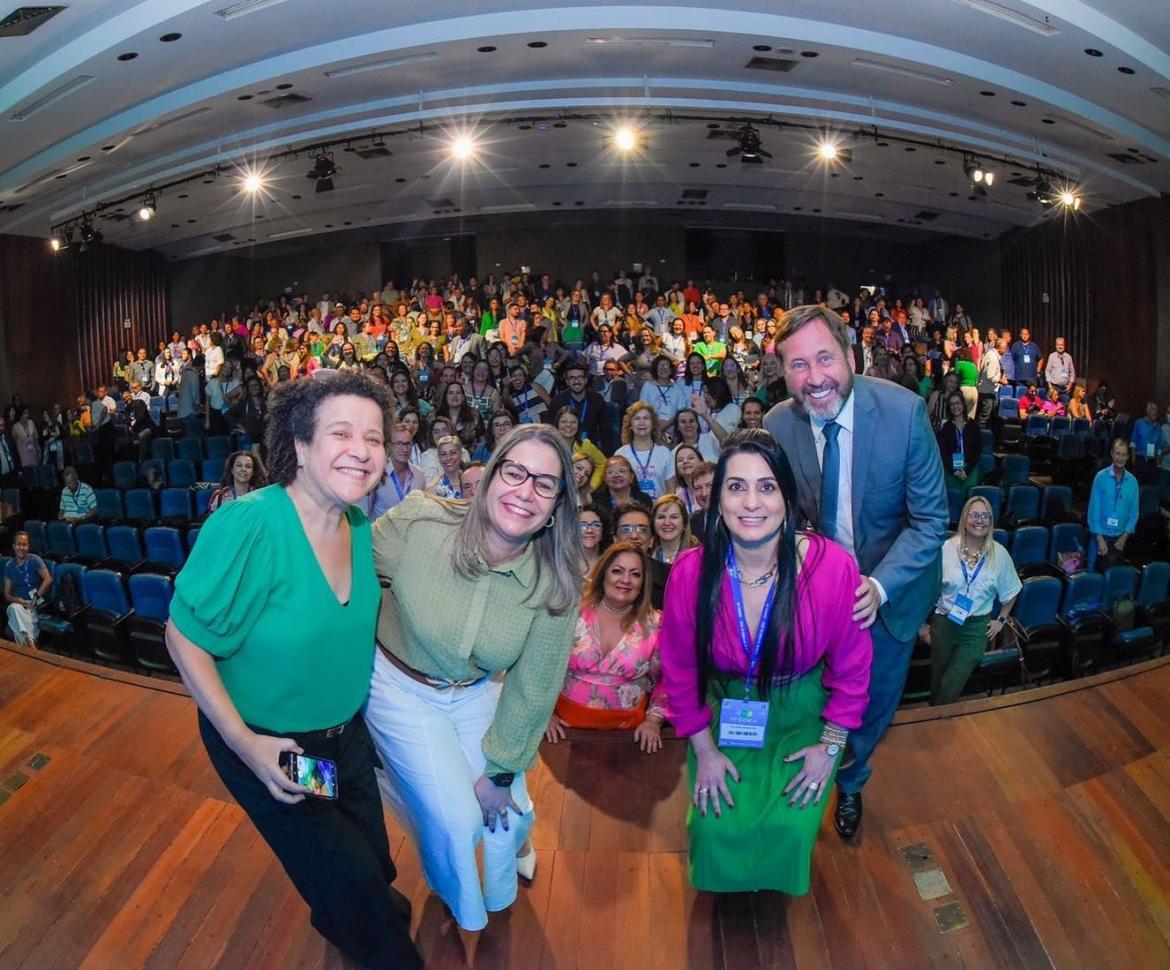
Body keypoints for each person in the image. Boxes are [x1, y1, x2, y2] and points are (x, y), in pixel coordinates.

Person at [162, 373, 420, 969]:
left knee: (373, 860)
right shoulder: (250, 524)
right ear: (300, 447)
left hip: (342, 737)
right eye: (341, 433)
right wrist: (247, 744)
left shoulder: (356, 525)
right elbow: (182, 638)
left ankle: (346, 913)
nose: (362, 448)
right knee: (354, 878)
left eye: (375, 438)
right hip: (272, 743)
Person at [363, 424, 581, 932]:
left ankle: (502, 901)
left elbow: (535, 685)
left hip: (475, 690)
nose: (526, 491)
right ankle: (461, 909)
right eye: (515, 472)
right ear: (490, 475)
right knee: (459, 823)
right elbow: (340, 567)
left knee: (506, 817)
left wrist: (501, 770)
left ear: (557, 505)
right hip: (399, 687)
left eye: (545, 484)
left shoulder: (558, 580)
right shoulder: (419, 522)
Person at [658, 429, 871, 894]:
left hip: (804, 715)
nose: (751, 502)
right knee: (715, 829)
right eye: (736, 487)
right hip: (724, 710)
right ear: (716, 500)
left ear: (786, 498)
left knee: (791, 829)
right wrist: (704, 751)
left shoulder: (832, 567)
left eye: (766, 486)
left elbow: (853, 668)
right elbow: (679, 670)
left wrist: (830, 747)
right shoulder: (690, 573)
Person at [764, 305, 947, 841]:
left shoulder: (905, 413)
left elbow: (931, 520)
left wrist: (879, 586)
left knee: (868, 707)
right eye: (798, 366)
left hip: (890, 599)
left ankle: (852, 782)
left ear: (851, 355)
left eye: (824, 358)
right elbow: (784, 517)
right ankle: (805, 773)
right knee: (813, 694)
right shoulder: (778, 424)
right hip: (814, 594)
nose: (814, 378)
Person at [545, 542, 666, 751]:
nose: (625, 580)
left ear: (643, 582)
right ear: (603, 575)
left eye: (635, 574)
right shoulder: (571, 614)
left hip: (628, 737)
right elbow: (540, 669)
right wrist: (543, 716)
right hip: (563, 733)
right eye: (617, 571)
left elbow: (666, 681)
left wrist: (653, 721)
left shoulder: (656, 624)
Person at [925, 494, 1020, 705]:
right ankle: (936, 723)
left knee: (952, 681)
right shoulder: (946, 549)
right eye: (974, 515)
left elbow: (1012, 590)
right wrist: (922, 625)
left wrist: (1001, 620)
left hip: (976, 628)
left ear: (991, 522)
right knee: (937, 680)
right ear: (964, 518)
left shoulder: (1000, 554)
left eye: (985, 516)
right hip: (944, 623)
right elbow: (925, 589)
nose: (979, 520)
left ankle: (936, 719)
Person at [1087, 438, 1139, 571]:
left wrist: (1125, 536)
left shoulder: (1133, 482)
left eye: (1123, 454)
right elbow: (1093, 510)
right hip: (1100, 537)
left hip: (1119, 541)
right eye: (1117, 453)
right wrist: (1099, 539)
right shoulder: (1100, 477)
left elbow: (1134, 514)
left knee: (1112, 583)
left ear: (1128, 457)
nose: (1120, 458)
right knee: (1094, 577)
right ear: (1112, 454)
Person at [614, 402, 674, 501]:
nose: (642, 423)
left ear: (653, 424)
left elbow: (671, 489)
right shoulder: (621, 454)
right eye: (637, 418)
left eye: (646, 418)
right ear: (630, 425)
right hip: (631, 512)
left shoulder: (664, 453)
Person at [4, 531, 52, 649]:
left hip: (35, 601)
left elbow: (48, 579)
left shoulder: (35, 560)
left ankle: (27, 645)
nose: (22, 547)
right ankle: (31, 642)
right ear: (14, 546)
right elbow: (7, 594)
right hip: (20, 604)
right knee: (13, 608)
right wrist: (18, 600)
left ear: (28, 546)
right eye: (19, 544)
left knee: (15, 617)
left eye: (24, 545)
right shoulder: (9, 565)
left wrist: (36, 596)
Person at [648, 492, 696, 610]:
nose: (667, 522)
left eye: (674, 517)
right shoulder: (647, 555)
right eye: (661, 517)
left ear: (684, 523)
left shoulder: (696, 557)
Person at [937, 391, 982, 493]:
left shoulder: (973, 425)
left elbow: (977, 450)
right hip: (951, 471)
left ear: (963, 404)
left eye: (958, 403)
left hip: (969, 470)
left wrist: (967, 470)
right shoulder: (946, 427)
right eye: (952, 404)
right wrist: (954, 471)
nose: (955, 407)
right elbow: (943, 453)